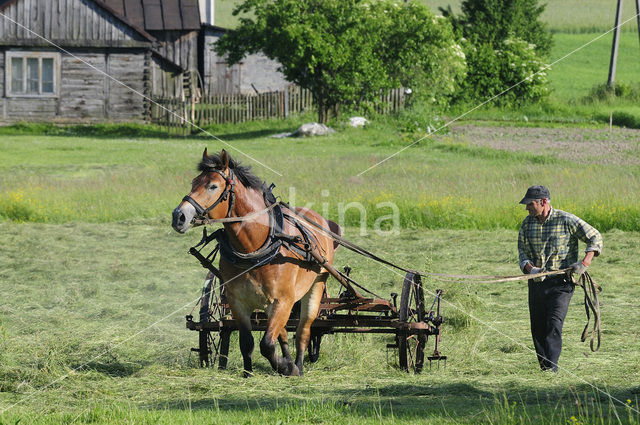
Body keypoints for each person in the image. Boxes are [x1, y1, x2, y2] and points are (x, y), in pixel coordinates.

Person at [517, 185, 603, 372]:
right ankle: (544, 369)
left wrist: (585, 263)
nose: (527, 208)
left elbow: (595, 237)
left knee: (554, 324)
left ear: (544, 202)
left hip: (562, 283)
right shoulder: (526, 224)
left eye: (530, 204)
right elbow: (522, 252)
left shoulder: (566, 220)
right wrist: (530, 269)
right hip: (537, 283)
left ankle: (552, 369)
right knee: (538, 328)